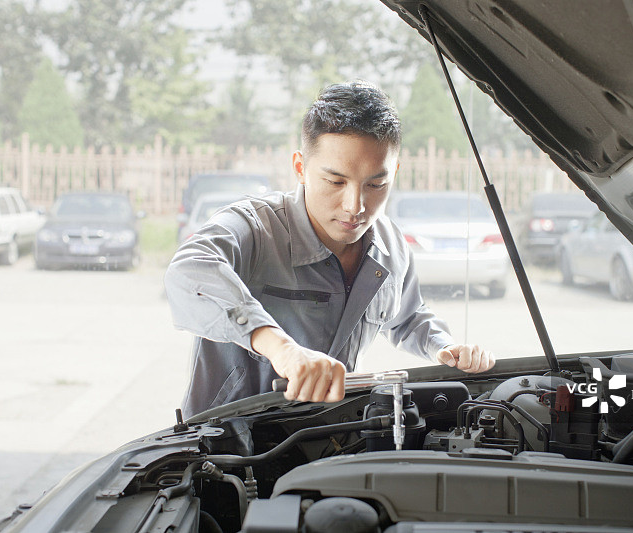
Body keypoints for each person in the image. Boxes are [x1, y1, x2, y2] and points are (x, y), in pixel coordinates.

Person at [165, 80, 495, 418]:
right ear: (300, 168)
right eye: (336, 182)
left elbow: (407, 317)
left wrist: (444, 347)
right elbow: (190, 271)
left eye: (376, 184)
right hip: (225, 448)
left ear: (393, 172)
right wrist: (282, 350)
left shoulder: (391, 246)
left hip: (325, 437)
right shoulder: (255, 228)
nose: (356, 206)